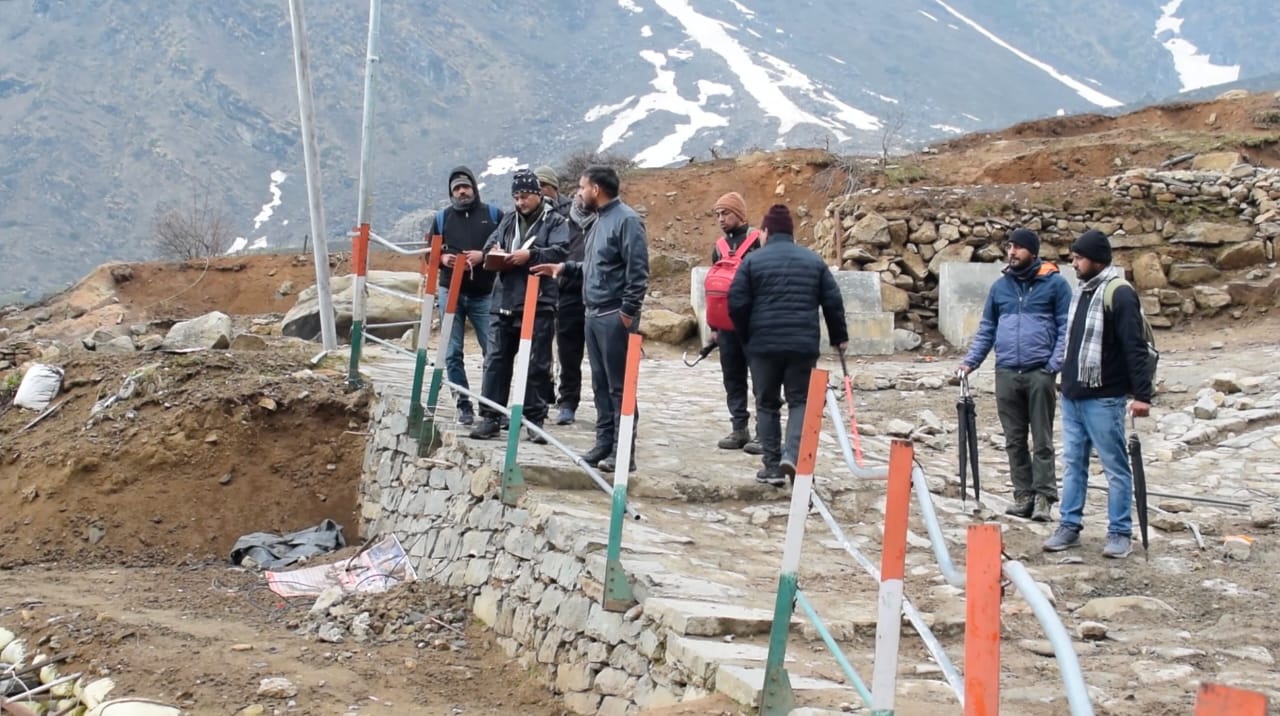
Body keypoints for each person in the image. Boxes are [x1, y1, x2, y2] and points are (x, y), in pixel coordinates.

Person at [1043, 229, 1153, 559]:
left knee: (1115, 466)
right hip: (1074, 393)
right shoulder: (1083, 292)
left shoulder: (1118, 294)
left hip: (1104, 397)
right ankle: (1069, 525)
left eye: (1079, 258)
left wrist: (1142, 395)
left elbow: (1134, 348)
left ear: (1097, 260)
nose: (1074, 264)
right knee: (1073, 463)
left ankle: (1120, 531)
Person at [531, 165, 649, 473]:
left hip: (614, 316)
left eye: (582, 187)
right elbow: (595, 267)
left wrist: (627, 313)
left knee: (619, 387)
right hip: (592, 312)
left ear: (596, 189)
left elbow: (637, 274)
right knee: (600, 384)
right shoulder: (598, 221)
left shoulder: (627, 221)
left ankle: (624, 453)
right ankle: (603, 443)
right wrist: (564, 268)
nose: (578, 193)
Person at [958, 228, 1073, 522]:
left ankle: (1044, 497)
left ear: (1032, 252)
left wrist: (1053, 365)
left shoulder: (1056, 285)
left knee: (1043, 440)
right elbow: (987, 330)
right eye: (1010, 247)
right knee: (1014, 439)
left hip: (1039, 372)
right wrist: (970, 362)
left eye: (1019, 248)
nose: (1012, 252)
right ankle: (1022, 495)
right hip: (1006, 371)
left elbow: (1065, 329)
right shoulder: (1000, 288)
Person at [728, 204, 847, 487]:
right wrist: (838, 337)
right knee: (800, 401)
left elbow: (736, 303)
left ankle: (771, 467)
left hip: (763, 347)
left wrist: (747, 337)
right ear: (791, 233)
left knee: (767, 404)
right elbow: (833, 302)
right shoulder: (813, 261)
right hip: (802, 346)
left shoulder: (752, 262)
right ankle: (792, 455)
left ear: (766, 232)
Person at [469, 169, 569, 442]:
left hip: (538, 301)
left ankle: (534, 420)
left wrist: (531, 255)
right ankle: (490, 416)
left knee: (537, 363)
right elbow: (491, 244)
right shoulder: (508, 220)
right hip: (504, 298)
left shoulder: (556, 221)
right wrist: (495, 254)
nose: (520, 202)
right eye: (516, 197)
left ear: (537, 194)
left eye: (525, 196)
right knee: (496, 361)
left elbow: (561, 251)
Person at [431, 166, 502, 426]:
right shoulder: (442, 218)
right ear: (451, 193)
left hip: (484, 293)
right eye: (456, 189)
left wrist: (483, 256)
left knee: (493, 351)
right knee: (452, 352)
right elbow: (429, 252)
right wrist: (441, 258)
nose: (461, 192)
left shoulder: (493, 215)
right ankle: (463, 404)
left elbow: (505, 247)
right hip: (450, 291)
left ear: (474, 187)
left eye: (465, 187)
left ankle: (491, 405)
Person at [708, 192, 763, 455]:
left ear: (740, 214)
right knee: (732, 378)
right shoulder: (718, 247)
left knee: (762, 379)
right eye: (718, 214)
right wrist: (714, 328)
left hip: (755, 326)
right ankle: (739, 428)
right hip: (726, 327)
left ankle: (765, 431)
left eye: (726, 213)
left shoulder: (759, 241)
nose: (721, 219)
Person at [537, 165, 588, 426]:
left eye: (544, 187)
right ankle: (565, 401)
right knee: (565, 351)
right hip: (557, 290)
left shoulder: (577, 214)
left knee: (596, 354)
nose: (541, 193)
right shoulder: (538, 218)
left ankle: (605, 406)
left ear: (554, 188)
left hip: (588, 290)